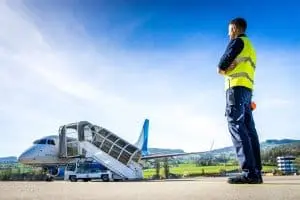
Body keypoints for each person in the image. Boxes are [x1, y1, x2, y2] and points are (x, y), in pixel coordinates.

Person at [217, 17, 263, 184]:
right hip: (247, 90)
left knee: (236, 125)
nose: (228, 34)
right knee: (249, 130)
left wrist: (221, 70)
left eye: (229, 30)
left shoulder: (237, 42)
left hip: (235, 88)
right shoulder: (251, 47)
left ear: (235, 28)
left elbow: (221, 65)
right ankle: (256, 172)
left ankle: (249, 173)